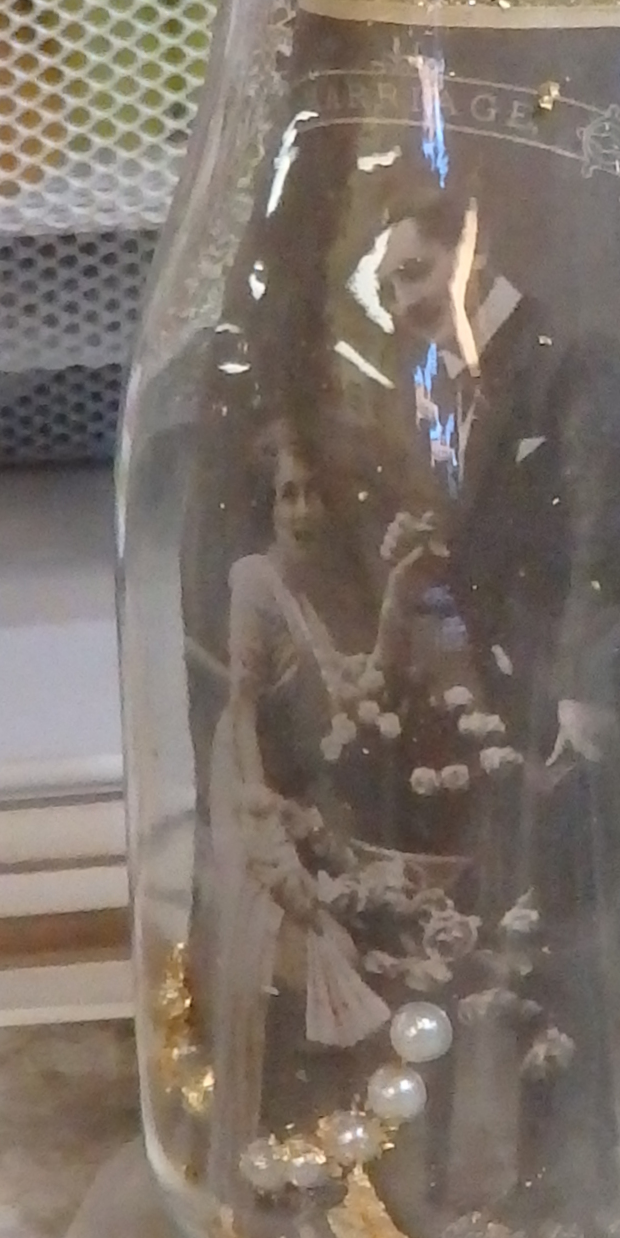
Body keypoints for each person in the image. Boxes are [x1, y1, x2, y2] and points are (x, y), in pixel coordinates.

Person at [374, 193, 620, 1187]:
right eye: (388, 285)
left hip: (617, 688)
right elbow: (518, 539)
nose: (401, 299)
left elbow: (603, 532)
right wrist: (442, 552)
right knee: (553, 942)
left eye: (413, 271)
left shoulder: (575, 358)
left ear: (472, 249)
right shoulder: (462, 382)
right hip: (543, 699)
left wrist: (580, 690)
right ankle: (574, 1184)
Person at [198, 423, 414, 1182]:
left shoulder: (306, 599)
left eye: (315, 494)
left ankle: (331, 1172)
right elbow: (244, 707)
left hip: (302, 806)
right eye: (288, 494)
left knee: (351, 965)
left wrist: (397, 598)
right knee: (311, 973)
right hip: (255, 798)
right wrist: (266, 830)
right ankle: (278, 1173)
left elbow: (355, 691)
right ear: (267, 505)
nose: (302, 510)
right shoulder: (255, 583)